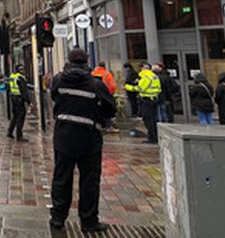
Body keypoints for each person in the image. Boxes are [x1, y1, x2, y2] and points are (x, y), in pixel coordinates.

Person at [49, 49, 116, 234]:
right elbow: (111, 109)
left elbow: (54, 97)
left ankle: (57, 218)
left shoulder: (58, 80)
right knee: (89, 182)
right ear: (87, 62)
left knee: (61, 179)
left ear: (69, 61)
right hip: (88, 139)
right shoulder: (96, 84)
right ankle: (88, 222)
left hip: (63, 137)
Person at [124, 62, 161, 144]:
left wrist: (127, 87)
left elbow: (139, 88)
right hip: (154, 99)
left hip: (146, 100)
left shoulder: (144, 77)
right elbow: (159, 89)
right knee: (154, 119)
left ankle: (152, 138)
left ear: (142, 68)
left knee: (147, 119)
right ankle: (156, 136)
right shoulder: (154, 76)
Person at [7, 64, 31, 142]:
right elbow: (24, 91)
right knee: (21, 116)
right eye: (21, 69)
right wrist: (28, 101)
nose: (23, 71)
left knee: (15, 116)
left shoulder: (12, 76)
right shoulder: (20, 78)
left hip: (13, 98)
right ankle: (19, 135)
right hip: (19, 99)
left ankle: (10, 131)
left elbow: (8, 88)